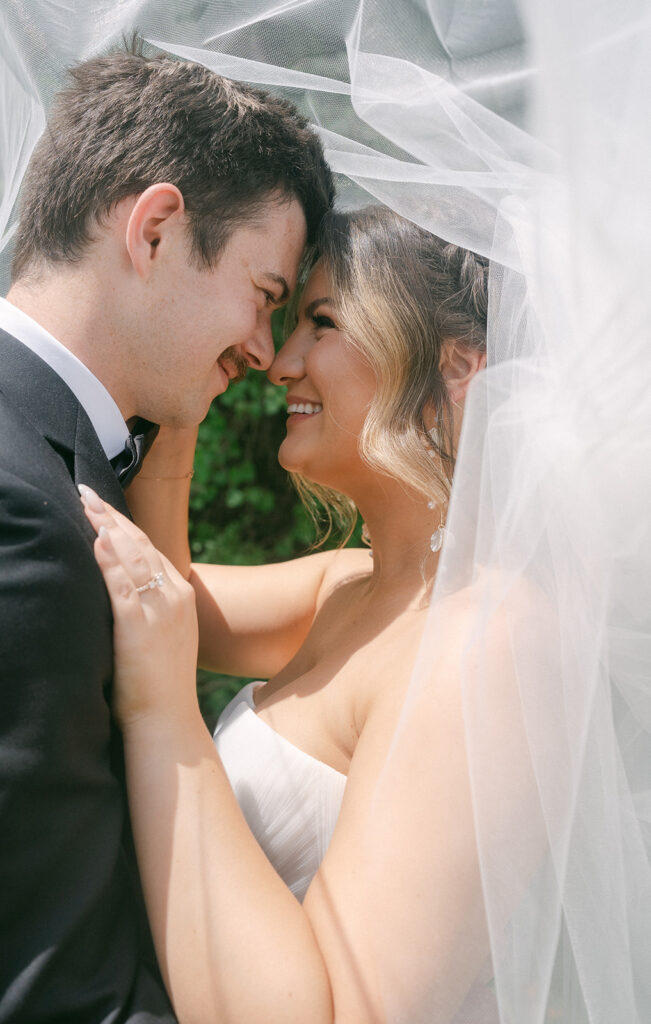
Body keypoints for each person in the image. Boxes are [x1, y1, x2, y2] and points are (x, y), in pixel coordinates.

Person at [0, 39, 334, 1023]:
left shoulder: (37, 455)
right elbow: (39, 988)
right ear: (157, 229)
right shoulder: (3, 503)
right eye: (264, 297)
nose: (263, 353)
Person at [79, 207, 504, 1023]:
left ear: (455, 368)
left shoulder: (478, 645)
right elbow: (168, 604)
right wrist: (178, 399)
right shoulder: (350, 588)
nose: (279, 363)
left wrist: (164, 712)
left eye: (323, 321)